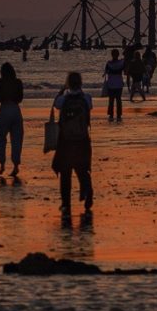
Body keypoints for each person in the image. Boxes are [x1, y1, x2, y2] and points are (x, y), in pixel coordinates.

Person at [52, 71, 93, 218]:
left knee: (65, 173)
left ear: (68, 83)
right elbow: (89, 109)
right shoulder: (86, 98)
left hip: (66, 140)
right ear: (81, 82)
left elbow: (55, 104)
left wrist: (62, 90)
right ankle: (88, 194)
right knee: (82, 170)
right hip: (82, 139)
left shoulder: (63, 100)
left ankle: (66, 203)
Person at [0, 62, 23, 176]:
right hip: (15, 109)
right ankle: (15, 166)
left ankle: (2, 164)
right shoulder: (18, 82)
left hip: (4, 108)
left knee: (1, 138)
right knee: (17, 139)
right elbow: (20, 97)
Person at [103, 49, 126, 122]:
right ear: (118, 55)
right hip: (119, 83)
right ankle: (119, 114)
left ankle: (111, 114)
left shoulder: (109, 63)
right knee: (118, 99)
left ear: (112, 55)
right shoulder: (121, 63)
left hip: (111, 83)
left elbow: (105, 73)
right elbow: (125, 70)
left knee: (111, 100)